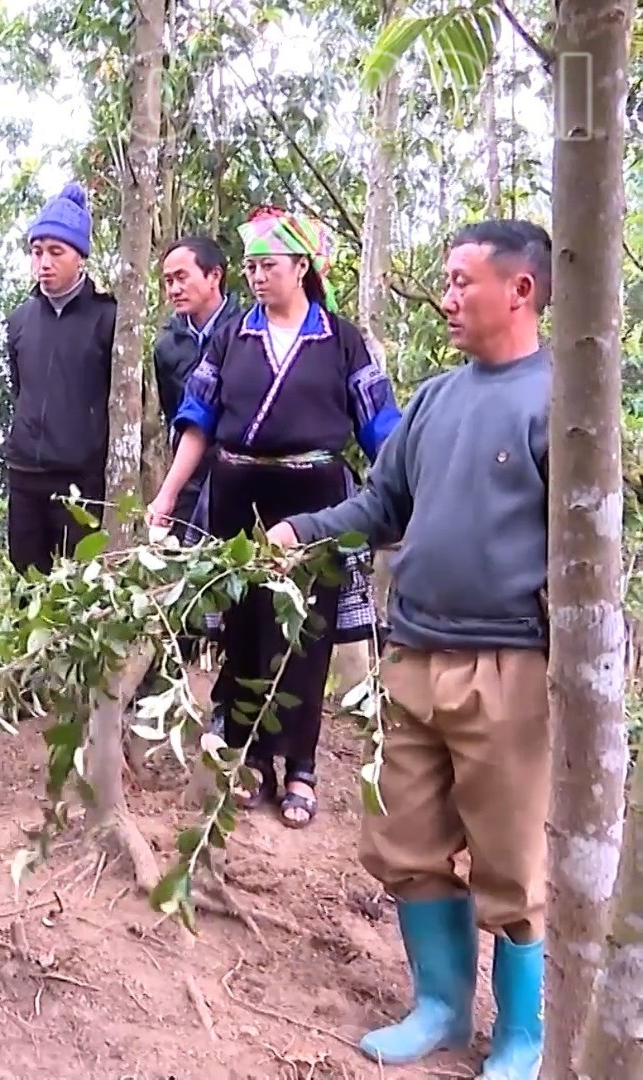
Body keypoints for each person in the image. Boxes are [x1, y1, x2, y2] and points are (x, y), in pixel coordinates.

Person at [266, 219, 553, 1080]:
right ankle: (438, 1007)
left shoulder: (562, 403)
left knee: (512, 863)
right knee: (406, 842)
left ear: (521, 289)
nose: (449, 296)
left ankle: (521, 1035)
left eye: (463, 280)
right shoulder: (432, 400)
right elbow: (381, 507)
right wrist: (303, 528)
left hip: (511, 665)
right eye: (446, 278)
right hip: (413, 654)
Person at [145, 206, 402, 829]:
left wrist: (411, 485)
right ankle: (251, 757)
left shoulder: (341, 340)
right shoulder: (235, 335)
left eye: (269, 265)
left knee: (305, 635)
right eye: (252, 266)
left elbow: (380, 428)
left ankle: (302, 767)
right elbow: (198, 422)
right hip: (238, 498)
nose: (258, 277)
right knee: (244, 628)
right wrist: (168, 495)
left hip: (317, 503)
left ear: (301, 268)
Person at [2, 180, 116, 575]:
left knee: (77, 589)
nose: (44, 263)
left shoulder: (108, 318)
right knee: (27, 581)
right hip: (25, 475)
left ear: (79, 257)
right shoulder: (20, 321)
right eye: (37, 252)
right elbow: (21, 388)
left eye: (56, 252)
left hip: (78, 479)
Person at [152, 236, 242, 543]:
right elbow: (174, 415)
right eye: (168, 281)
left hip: (241, 475)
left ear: (214, 275)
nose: (174, 289)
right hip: (189, 481)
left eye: (181, 278)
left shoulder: (247, 331)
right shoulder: (166, 345)